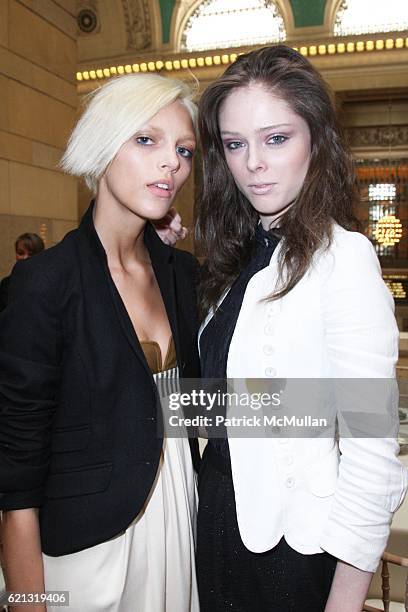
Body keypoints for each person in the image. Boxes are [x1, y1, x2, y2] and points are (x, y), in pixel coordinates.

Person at [196, 45, 407, 612]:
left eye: (276, 138)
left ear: (316, 138)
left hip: (291, 551)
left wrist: (343, 602)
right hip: (216, 514)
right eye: (235, 144)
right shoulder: (235, 258)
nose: (253, 164)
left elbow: (372, 451)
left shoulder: (346, 258)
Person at [0, 73, 200, 612]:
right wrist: (26, 602)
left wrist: (342, 412)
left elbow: (196, 408)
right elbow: (16, 478)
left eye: (183, 149)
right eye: (146, 140)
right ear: (102, 144)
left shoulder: (181, 274)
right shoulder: (46, 282)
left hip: (180, 521)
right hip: (89, 551)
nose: (171, 163)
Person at [0, 233, 45, 311]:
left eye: (31, 254)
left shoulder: (48, 283)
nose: (25, 258)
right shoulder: (6, 284)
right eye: (20, 253)